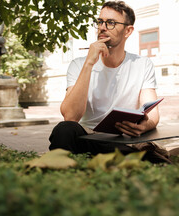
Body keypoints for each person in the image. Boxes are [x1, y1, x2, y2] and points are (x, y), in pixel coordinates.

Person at [49, 1, 169, 162]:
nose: (102, 27)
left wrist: (143, 127)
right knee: (64, 130)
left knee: (158, 162)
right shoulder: (79, 64)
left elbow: (152, 112)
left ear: (128, 30)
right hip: (88, 139)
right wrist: (89, 63)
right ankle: (61, 178)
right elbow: (70, 116)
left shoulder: (142, 64)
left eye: (111, 23)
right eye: (100, 22)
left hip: (122, 142)